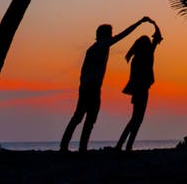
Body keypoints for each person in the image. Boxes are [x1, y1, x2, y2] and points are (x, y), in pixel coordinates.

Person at [59, 16, 151, 152]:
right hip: (92, 88)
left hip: (86, 87)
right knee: (87, 118)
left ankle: (69, 146)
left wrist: (84, 84)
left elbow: (83, 70)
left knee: (80, 117)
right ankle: (77, 147)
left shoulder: (92, 49)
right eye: (110, 33)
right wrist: (138, 23)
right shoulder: (102, 45)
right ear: (104, 35)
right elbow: (123, 35)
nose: (112, 35)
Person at [114, 19, 164, 152]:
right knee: (137, 119)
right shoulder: (147, 55)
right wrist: (154, 24)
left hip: (138, 90)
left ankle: (123, 145)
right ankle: (124, 145)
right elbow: (158, 37)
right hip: (141, 90)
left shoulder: (137, 59)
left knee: (135, 119)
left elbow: (157, 38)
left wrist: (152, 23)